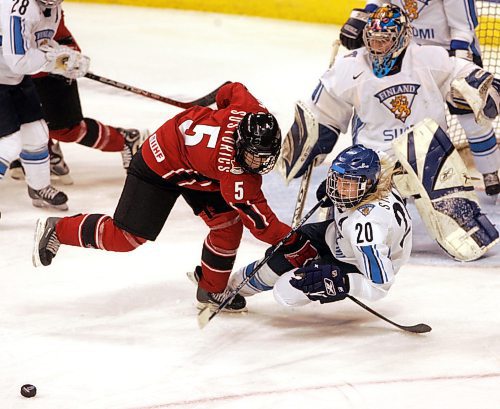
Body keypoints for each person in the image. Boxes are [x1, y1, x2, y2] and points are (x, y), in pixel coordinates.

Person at [32, 82, 318, 312]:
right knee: (126, 238)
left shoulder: (249, 108)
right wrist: (295, 244)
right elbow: (263, 226)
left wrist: (210, 105)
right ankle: (58, 229)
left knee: (228, 226)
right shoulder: (235, 176)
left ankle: (211, 289)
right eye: (252, 157)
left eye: (263, 157)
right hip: (158, 166)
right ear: (240, 145)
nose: (258, 164)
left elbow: (231, 89)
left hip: (194, 164)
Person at [280, 4, 499, 261]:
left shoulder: (429, 58)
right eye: (372, 40)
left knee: (467, 240)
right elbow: (323, 114)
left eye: (384, 40)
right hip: (374, 158)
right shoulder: (349, 68)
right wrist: (313, 138)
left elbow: (472, 76)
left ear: (402, 38)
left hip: (426, 152)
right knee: (346, 243)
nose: (377, 48)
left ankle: (461, 220)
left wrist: (483, 92)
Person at [339, 0, 500, 195]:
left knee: (470, 116)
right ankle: (396, 169)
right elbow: (379, 3)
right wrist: (364, 16)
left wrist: (458, 60)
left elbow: (462, 27)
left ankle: (490, 170)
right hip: (403, 48)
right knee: (399, 112)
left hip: (448, 50)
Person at [230, 144, 412, 306]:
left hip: (356, 264)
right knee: (282, 256)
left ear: (370, 182)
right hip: (337, 237)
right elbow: (379, 158)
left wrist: (345, 283)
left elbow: (381, 286)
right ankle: (229, 288)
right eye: (338, 180)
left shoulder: (366, 229)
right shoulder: (379, 170)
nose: (338, 190)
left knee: (285, 293)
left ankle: (318, 267)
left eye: (348, 184)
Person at [9, 7, 147, 184]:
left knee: (66, 130)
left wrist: (61, 58)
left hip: (51, 62)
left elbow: (46, 33)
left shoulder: (28, 7)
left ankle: (125, 140)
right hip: (17, 68)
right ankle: (41, 149)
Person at [0, 0, 88, 210]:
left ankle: (39, 187)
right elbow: (19, 60)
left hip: (15, 80)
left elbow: (40, 45)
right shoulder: (20, 8)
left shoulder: (52, 8)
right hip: (6, 76)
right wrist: (52, 60)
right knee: (10, 143)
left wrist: (64, 58)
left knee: (38, 134)